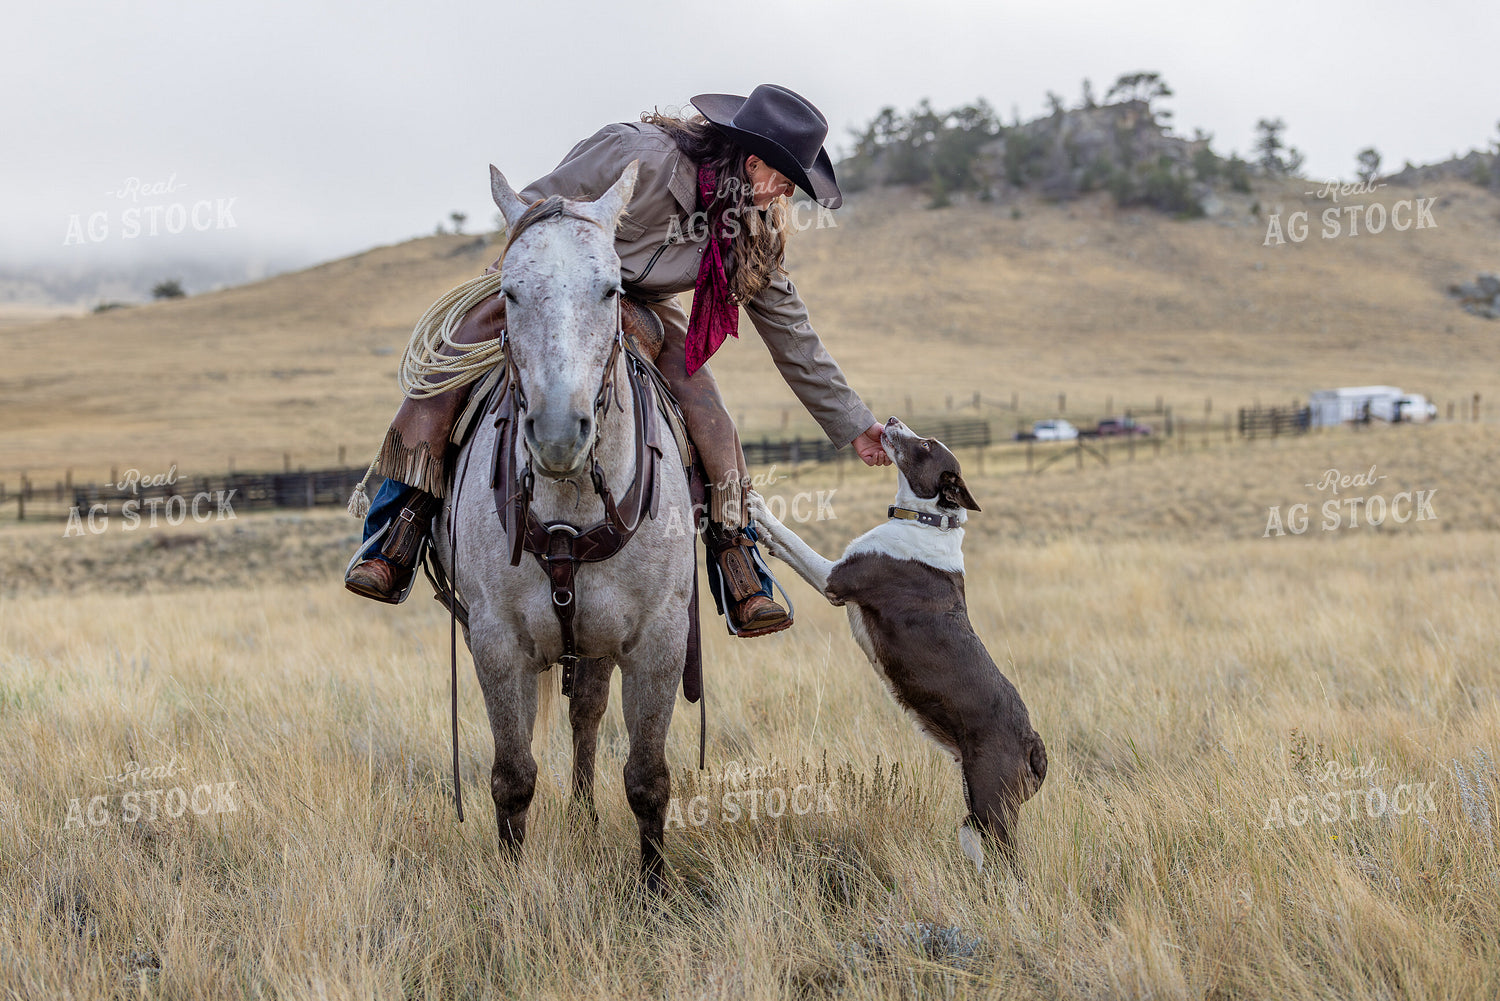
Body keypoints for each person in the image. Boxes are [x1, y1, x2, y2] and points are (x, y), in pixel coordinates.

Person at [345, 83, 889, 637]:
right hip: (558, 281)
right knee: (450, 359)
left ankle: (735, 552)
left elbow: (794, 337)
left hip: (646, 309)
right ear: (753, 165)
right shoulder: (636, 152)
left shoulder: (751, 231)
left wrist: (857, 425)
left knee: (707, 408)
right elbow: (537, 209)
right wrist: (525, 288)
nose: (782, 198)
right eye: (782, 183)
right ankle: (398, 525)